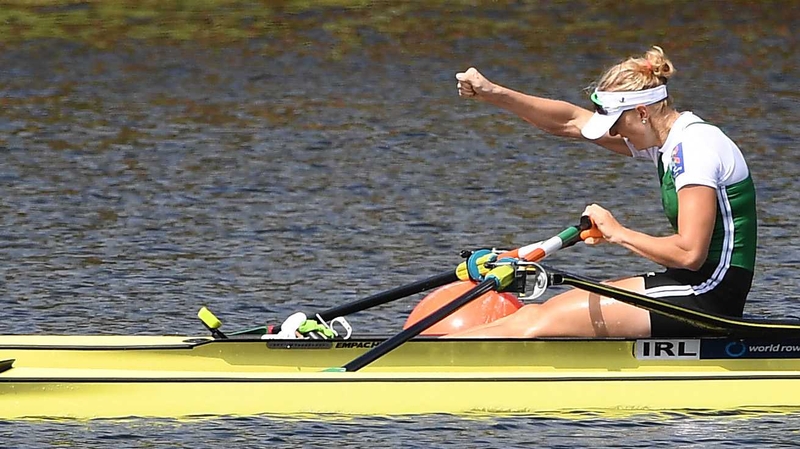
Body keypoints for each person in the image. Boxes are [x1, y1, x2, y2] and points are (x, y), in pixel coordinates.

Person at [449, 46, 757, 338]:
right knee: (549, 311)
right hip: (689, 283)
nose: (612, 133)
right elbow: (570, 121)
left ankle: (431, 360)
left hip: (709, 295)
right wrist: (493, 93)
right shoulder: (666, 140)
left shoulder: (694, 149)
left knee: (536, 321)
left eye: (616, 123)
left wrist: (617, 233)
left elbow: (689, 254)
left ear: (642, 112)